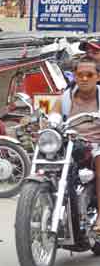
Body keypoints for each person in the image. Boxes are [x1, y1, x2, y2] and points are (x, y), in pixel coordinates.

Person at [52, 55, 100, 233]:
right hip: (71, 144)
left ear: (98, 77)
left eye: (89, 74)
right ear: (75, 76)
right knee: (48, 158)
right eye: (80, 74)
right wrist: (50, 123)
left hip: (96, 144)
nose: (84, 78)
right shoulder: (65, 98)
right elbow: (54, 116)